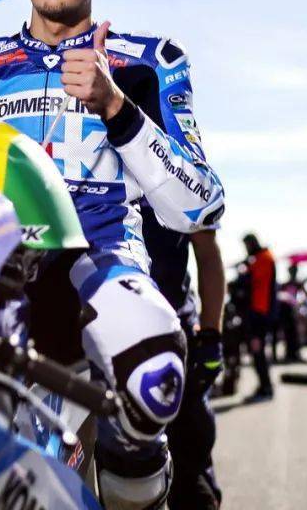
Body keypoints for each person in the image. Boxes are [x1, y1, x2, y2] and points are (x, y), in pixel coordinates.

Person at [0, 0, 225, 510]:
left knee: (154, 370)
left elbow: (201, 207)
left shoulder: (150, 60)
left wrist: (116, 105)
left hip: (103, 262)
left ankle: (134, 474)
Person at [140, 205, 224, 509]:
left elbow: (206, 250)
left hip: (172, 333)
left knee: (189, 463)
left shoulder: (178, 171)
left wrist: (210, 336)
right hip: (92, 330)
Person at [240, 233, 276, 400]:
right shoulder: (259, 259)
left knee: (258, 351)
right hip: (257, 312)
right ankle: (264, 386)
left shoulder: (264, 258)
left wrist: (245, 268)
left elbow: (251, 280)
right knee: (257, 352)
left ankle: (266, 388)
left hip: (260, 313)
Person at [276, 263, 304, 362]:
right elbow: (280, 296)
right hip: (286, 312)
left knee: (296, 334)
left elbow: (303, 296)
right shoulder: (285, 284)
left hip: (296, 312)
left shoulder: (299, 284)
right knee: (288, 334)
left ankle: (295, 353)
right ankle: (289, 354)